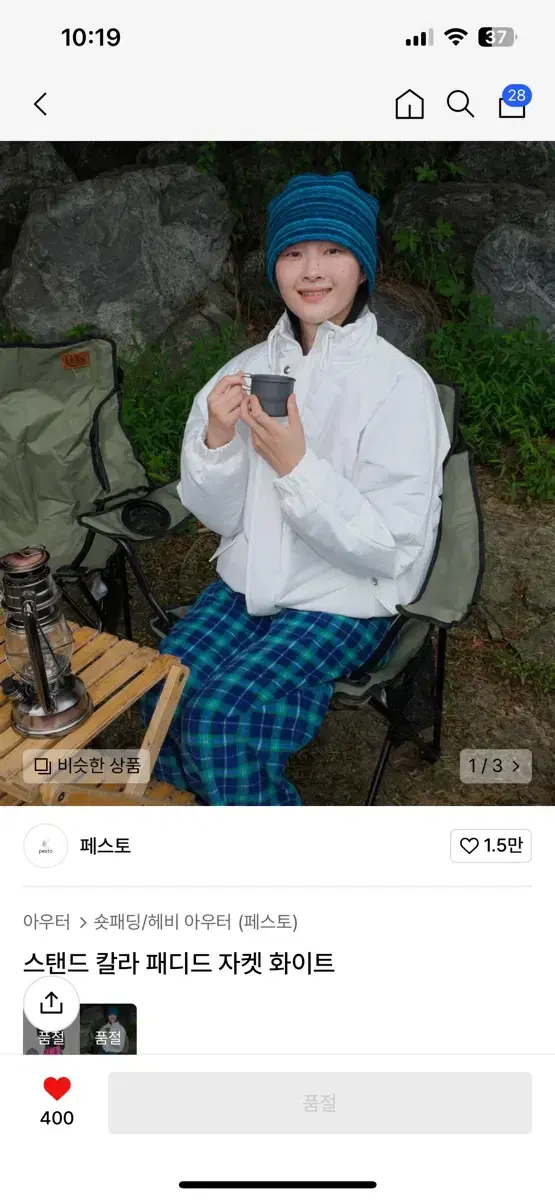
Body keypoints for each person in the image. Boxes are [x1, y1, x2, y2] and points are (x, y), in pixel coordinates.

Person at [140, 171, 450, 806]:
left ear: (362, 268)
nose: (312, 271)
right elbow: (222, 517)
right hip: (251, 582)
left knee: (222, 720)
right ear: (275, 269)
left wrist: (295, 466)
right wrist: (218, 442)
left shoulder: (400, 386)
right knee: (161, 689)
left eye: (333, 250)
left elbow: (388, 547)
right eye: (293, 252)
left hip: (345, 597)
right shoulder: (243, 371)